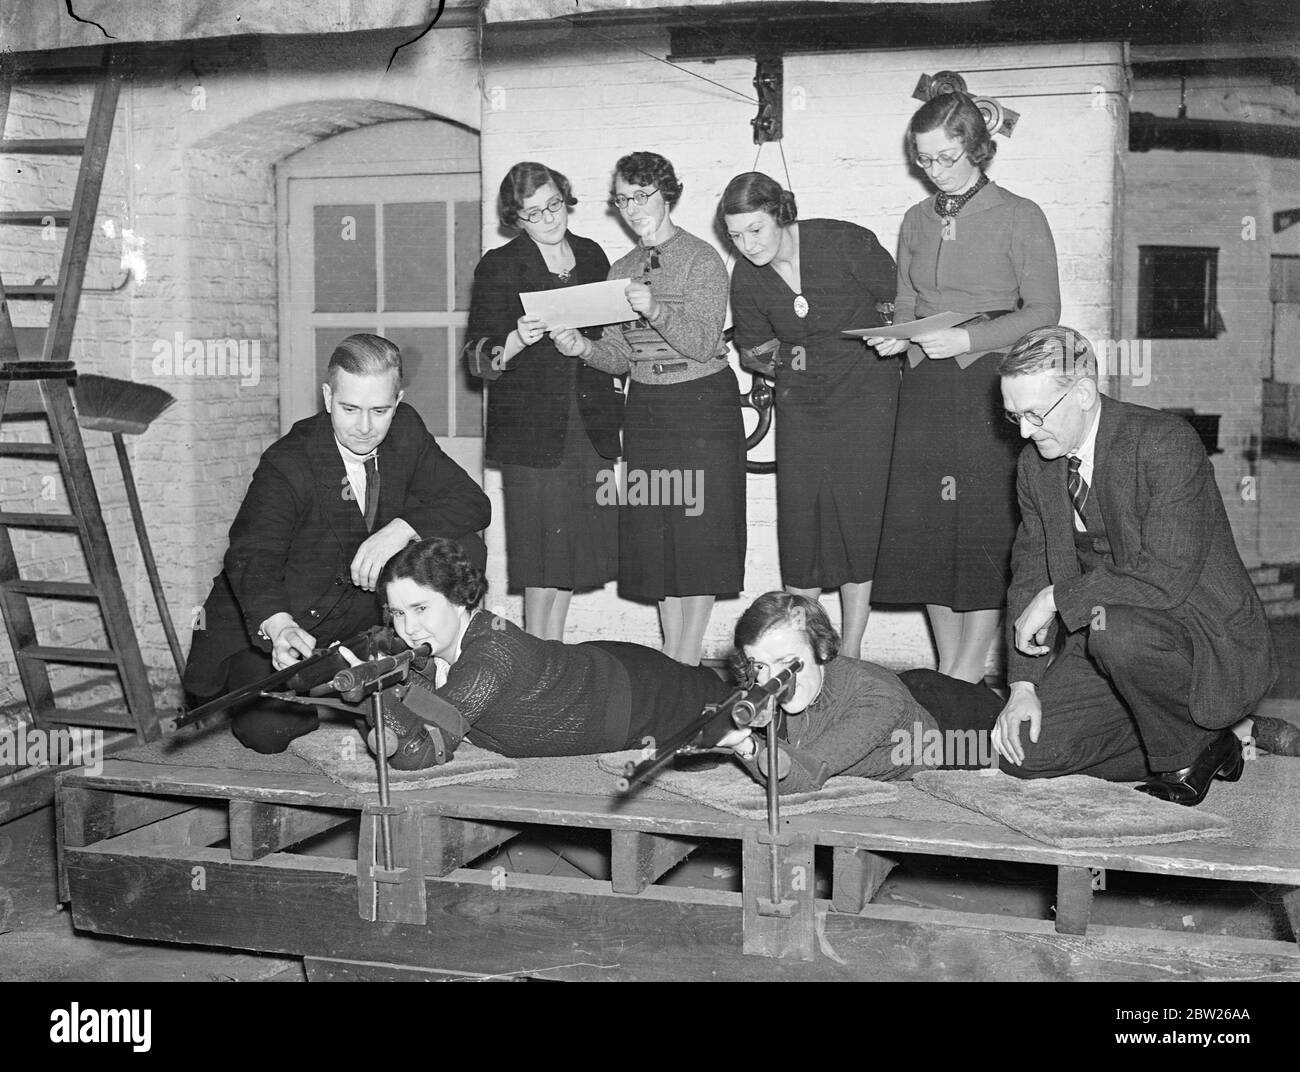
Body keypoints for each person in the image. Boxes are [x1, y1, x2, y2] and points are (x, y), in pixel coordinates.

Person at [991, 326, 1279, 806]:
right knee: (1023, 758)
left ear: (1083, 394)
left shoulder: (1164, 442)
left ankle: (1182, 757)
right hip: (1110, 643)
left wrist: (1057, 599)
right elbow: (1031, 572)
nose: (1024, 431)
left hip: (1200, 635)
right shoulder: (1035, 464)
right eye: (1013, 415)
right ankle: (1206, 742)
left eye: (1035, 414)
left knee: (1115, 629)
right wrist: (1022, 684)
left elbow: (1164, 576)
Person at [183, 334, 491, 754]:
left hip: (352, 620)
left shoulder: (406, 431)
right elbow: (252, 554)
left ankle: (422, 666)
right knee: (269, 731)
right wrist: (278, 625)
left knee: (464, 543)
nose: (365, 427)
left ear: (397, 401)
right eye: (350, 409)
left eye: (380, 410)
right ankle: (323, 692)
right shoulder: (288, 461)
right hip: (274, 621)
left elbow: (473, 503)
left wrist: (401, 527)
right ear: (328, 396)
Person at [867, 92, 1061, 683]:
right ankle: (952, 667)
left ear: (977, 148)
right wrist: (897, 337)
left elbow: (1045, 310)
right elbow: (904, 303)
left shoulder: (1019, 214)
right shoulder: (914, 220)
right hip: (925, 387)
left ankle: (966, 673)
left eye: (946, 157)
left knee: (978, 529)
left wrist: (971, 342)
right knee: (928, 529)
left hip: (988, 388)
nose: (934, 170)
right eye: (924, 160)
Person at [553, 151, 745, 666]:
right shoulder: (621, 269)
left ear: (667, 194)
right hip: (648, 410)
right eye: (623, 198)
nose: (633, 208)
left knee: (697, 535)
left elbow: (704, 343)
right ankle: (674, 659)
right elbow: (618, 357)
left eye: (642, 196)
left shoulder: (702, 259)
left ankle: (682, 661)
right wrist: (583, 349)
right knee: (659, 537)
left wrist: (655, 307)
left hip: (701, 406)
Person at [347, 538, 735, 769]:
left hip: (636, 696)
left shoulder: (488, 659)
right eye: (398, 613)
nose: (409, 627)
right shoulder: (436, 647)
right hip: (593, 667)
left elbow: (419, 752)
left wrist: (374, 694)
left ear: (458, 601)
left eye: (420, 609)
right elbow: (413, 706)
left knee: (736, 717)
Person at [721, 172, 898, 659]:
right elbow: (755, 350)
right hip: (802, 404)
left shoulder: (843, 240)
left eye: (755, 229)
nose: (747, 244)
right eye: (735, 235)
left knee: (858, 519)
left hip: (867, 396)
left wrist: (888, 337)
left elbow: (900, 302)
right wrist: (799, 362)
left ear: (780, 213)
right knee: (802, 523)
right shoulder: (748, 274)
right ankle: (801, 651)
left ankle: (853, 652)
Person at [463, 162, 623, 641]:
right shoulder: (500, 264)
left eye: (554, 204)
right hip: (532, 432)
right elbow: (476, 359)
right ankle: (539, 653)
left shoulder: (593, 256)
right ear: (517, 218)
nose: (549, 218)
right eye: (533, 213)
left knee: (571, 551)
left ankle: (552, 651)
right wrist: (514, 339)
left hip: (588, 424)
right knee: (541, 556)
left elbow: (611, 336)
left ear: (566, 199)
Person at [715, 592, 1003, 795]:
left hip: (961, 729)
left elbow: (801, 777)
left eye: (788, 664)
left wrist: (746, 746)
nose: (771, 679)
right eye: (760, 665)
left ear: (823, 650)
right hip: (908, 688)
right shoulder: (780, 681)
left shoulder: (877, 700)